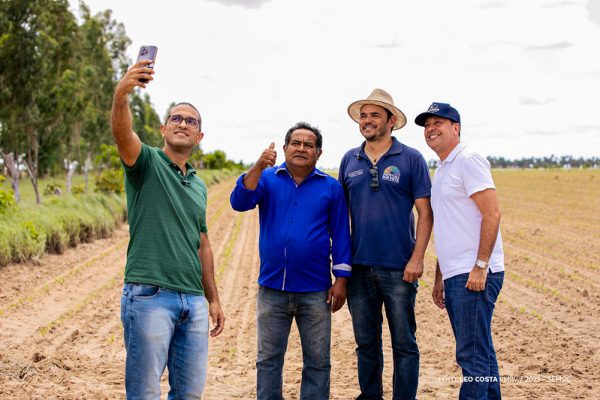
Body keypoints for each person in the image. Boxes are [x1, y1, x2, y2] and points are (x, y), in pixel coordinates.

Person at [111, 59, 225, 399]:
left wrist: (213, 298)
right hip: (150, 296)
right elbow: (122, 133)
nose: (182, 123)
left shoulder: (199, 185)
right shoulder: (144, 162)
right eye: (175, 118)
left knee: (189, 394)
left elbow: (202, 244)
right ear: (163, 129)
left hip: (193, 301)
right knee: (145, 393)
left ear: (199, 136)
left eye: (190, 121)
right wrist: (121, 94)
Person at [230, 122, 351, 400]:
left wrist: (341, 280)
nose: (301, 148)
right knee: (268, 360)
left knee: (318, 362)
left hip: (316, 291)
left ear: (318, 153)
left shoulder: (331, 188)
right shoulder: (267, 178)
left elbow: (342, 236)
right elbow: (239, 201)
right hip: (272, 289)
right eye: (295, 143)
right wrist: (258, 166)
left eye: (309, 145)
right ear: (284, 148)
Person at [339, 88, 433, 400]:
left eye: (374, 115)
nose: (367, 121)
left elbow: (425, 212)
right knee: (366, 342)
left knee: (404, 342)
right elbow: (341, 217)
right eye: (363, 116)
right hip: (359, 267)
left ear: (391, 121)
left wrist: (417, 258)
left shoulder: (411, 159)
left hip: (400, 268)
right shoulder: (349, 160)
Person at [416, 102, 504, 400]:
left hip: (473, 273)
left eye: (438, 122)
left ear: (456, 128)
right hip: (457, 272)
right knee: (481, 351)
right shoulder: (442, 168)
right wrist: (441, 275)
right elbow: (449, 227)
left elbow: (492, 213)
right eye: (427, 125)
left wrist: (480, 265)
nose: (431, 129)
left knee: (472, 356)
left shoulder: (468, 159)